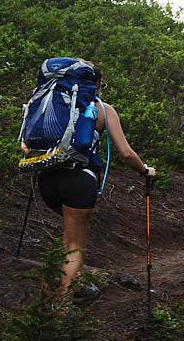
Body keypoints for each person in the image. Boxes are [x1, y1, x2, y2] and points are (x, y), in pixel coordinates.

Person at [34, 68, 154, 302]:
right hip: (78, 181)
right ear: (96, 83)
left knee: (69, 239)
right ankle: (62, 305)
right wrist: (145, 171)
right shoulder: (102, 109)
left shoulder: (52, 103)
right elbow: (127, 154)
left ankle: (71, 285)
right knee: (75, 245)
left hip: (46, 178)